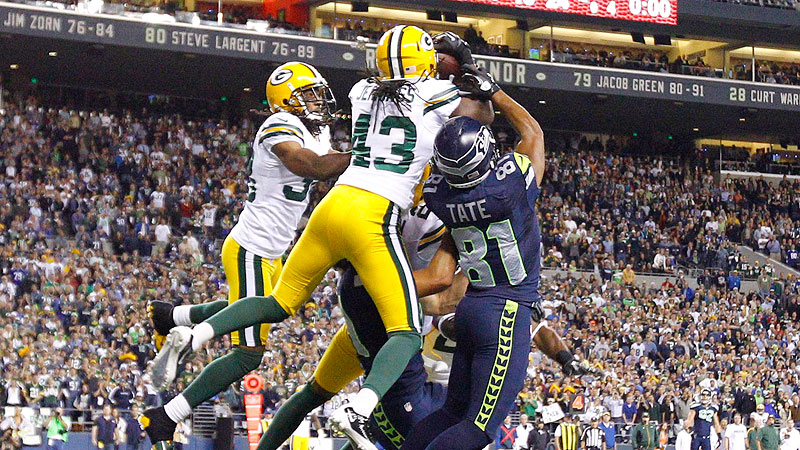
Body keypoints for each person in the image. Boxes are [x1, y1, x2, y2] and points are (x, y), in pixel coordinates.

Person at [143, 25, 493, 450]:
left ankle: (193, 332)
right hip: (370, 217)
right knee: (406, 334)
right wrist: (469, 70)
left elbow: (392, 91)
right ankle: (359, 411)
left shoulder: (363, 90)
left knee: (278, 303)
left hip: (331, 208)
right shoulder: (433, 97)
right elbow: (480, 114)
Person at [140, 61, 351, 443]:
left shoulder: (314, 131)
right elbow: (314, 166)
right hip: (252, 247)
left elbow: (328, 166)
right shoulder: (278, 126)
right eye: (309, 94)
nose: (318, 101)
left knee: (262, 307)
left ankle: (173, 316)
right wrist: (369, 157)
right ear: (286, 101)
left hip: (269, 251)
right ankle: (168, 413)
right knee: (248, 356)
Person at [403, 52, 547, 449]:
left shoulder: (441, 195)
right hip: (505, 310)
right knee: (480, 427)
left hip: (471, 307)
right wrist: (494, 91)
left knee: (453, 412)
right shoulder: (509, 185)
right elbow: (532, 133)